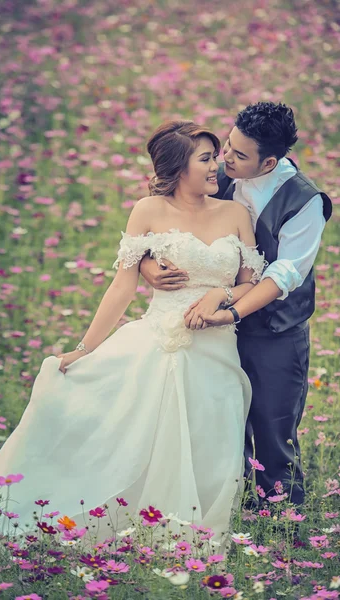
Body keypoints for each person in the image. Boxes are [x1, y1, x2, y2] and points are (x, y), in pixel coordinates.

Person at [0, 121, 266, 546]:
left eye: (215, 157)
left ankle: (190, 535)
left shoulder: (234, 213)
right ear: (178, 167)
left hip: (216, 347)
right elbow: (123, 285)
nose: (217, 167)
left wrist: (221, 296)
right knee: (122, 434)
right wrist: (83, 348)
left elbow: (250, 283)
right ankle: (119, 520)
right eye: (206, 159)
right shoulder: (147, 211)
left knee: (206, 444)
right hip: (156, 339)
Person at [140, 103, 332, 507]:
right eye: (227, 145)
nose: (224, 158)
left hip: (274, 329)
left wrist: (227, 308)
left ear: (270, 162)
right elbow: (164, 222)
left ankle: (283, 518)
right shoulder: (219, 176)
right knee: (222, 419)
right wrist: (147, 266)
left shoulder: (305, 201)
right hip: (213, 327)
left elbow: (283, 275)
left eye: (238, 155)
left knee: (272, 425)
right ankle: (230, 502)